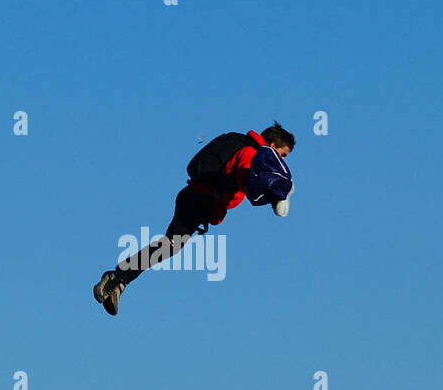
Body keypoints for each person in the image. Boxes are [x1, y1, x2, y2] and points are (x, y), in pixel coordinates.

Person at [93, 121, 296, 315]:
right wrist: (268, 196)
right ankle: (118, 278)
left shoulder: (237, 140)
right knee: (170, 246)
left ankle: (119, 280)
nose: (283, 161)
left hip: (191, 196)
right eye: (283, 155)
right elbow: (243, 190)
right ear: (272, 146)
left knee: (169, 246)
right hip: (199, 201)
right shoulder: (251, 156)